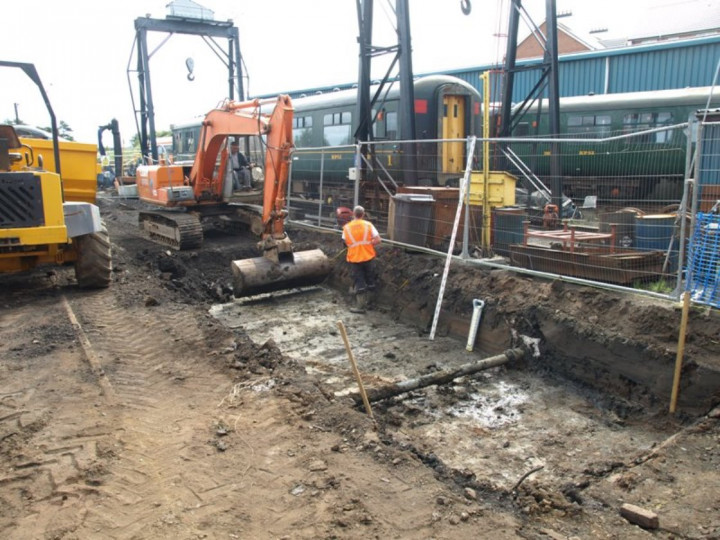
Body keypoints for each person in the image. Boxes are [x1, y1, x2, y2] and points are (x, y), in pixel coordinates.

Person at [342, 205, 381, 300]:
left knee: (359, 280)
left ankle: (360, 306)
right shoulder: (368, 225)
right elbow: (378, 240)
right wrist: (369, 244)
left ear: (353, 214)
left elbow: (344, 241)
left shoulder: (347, 227)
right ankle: (371, 301)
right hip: (368, 256)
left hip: (355, 258)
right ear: (363, 214)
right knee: (370, 278)